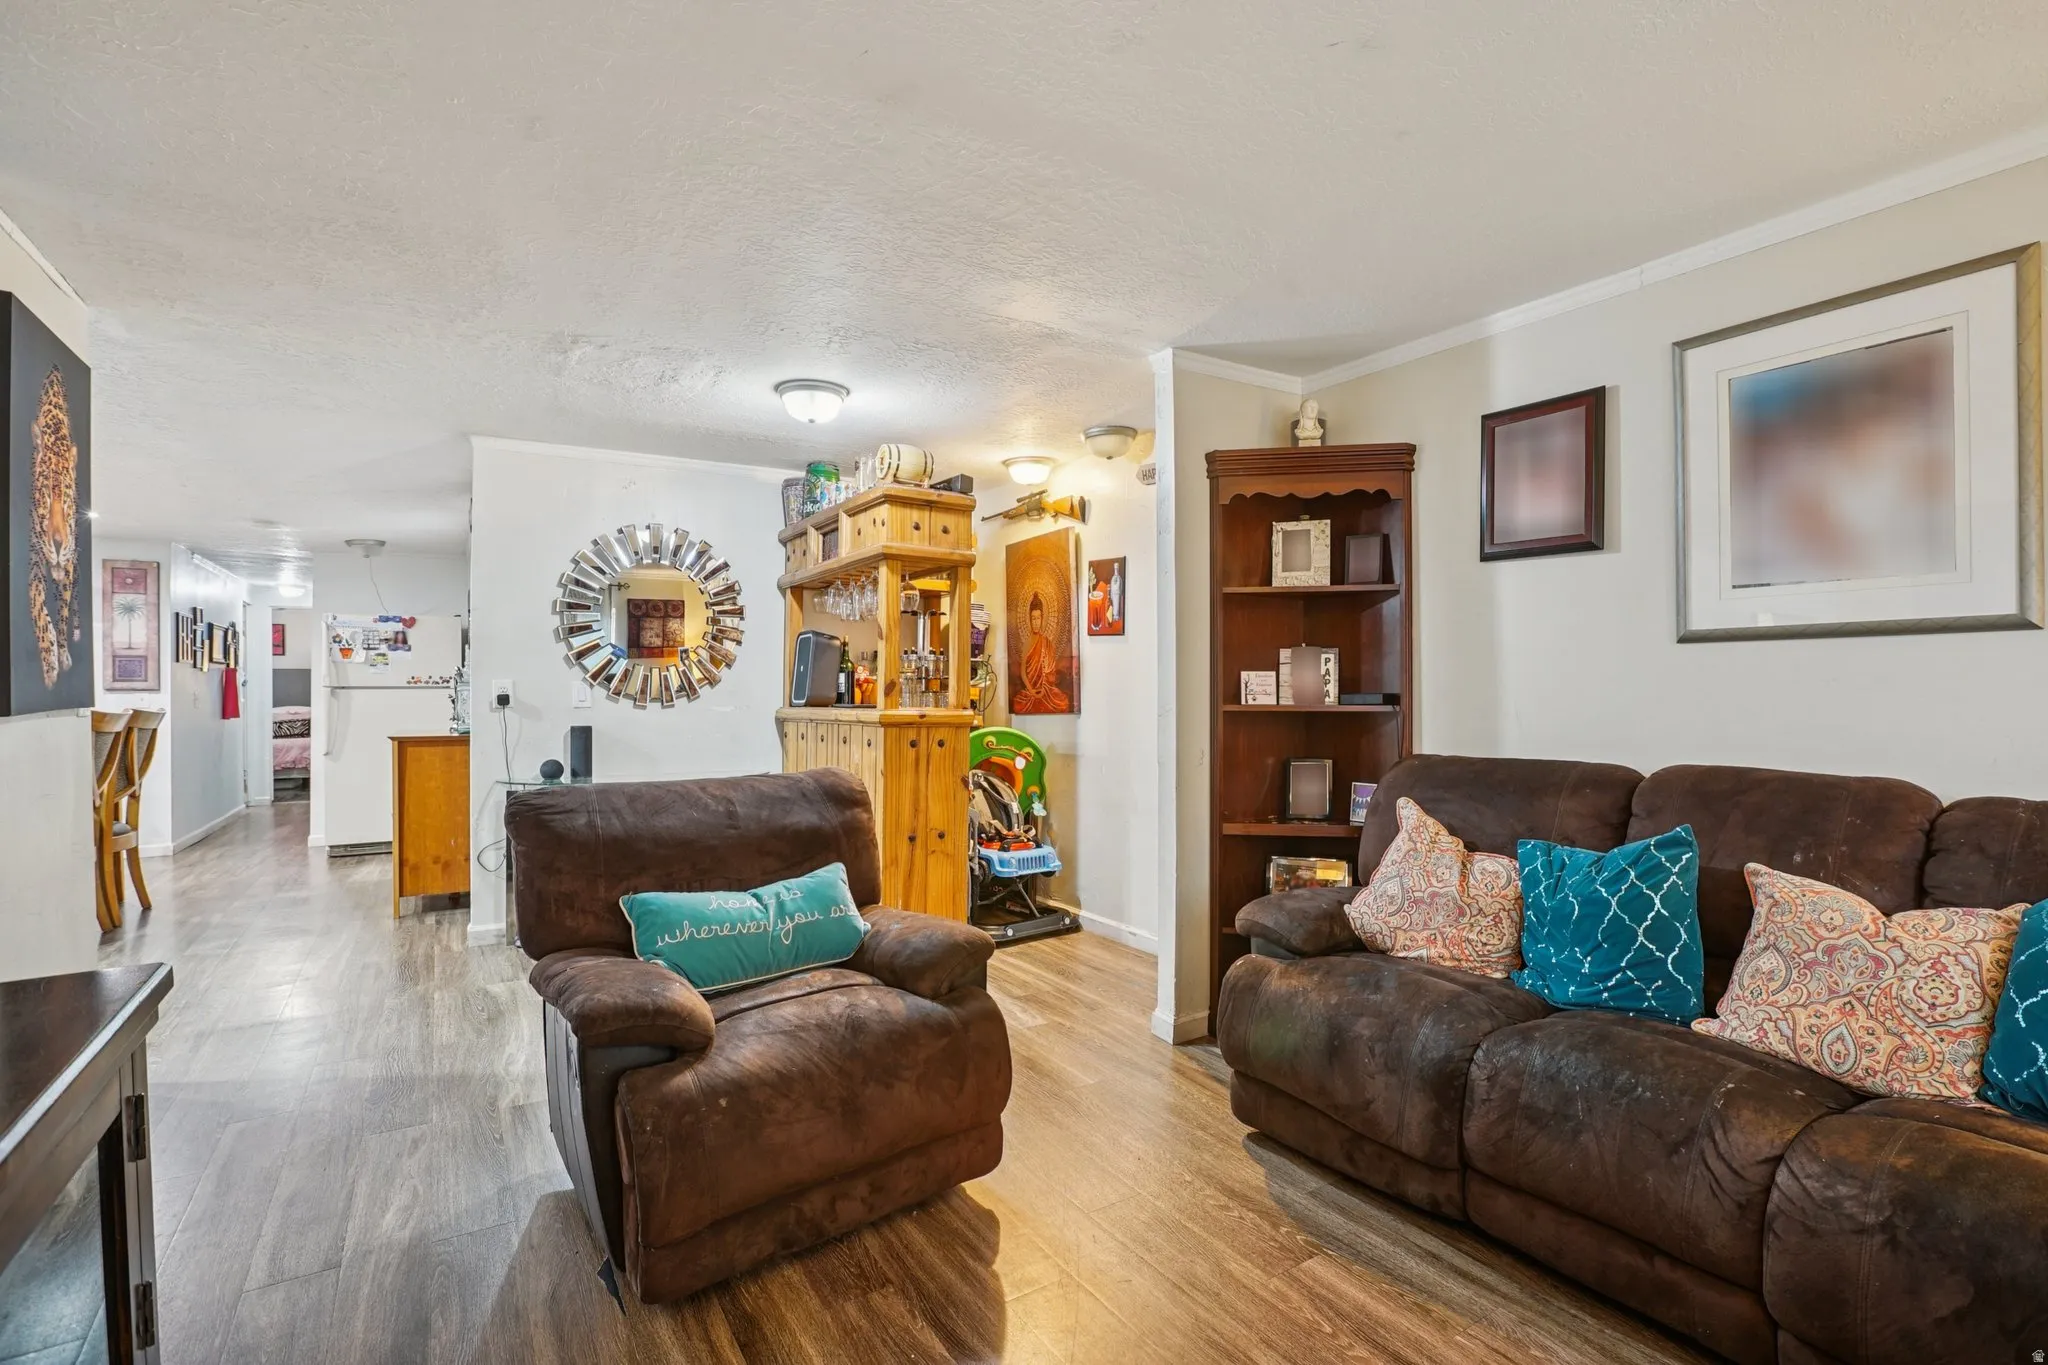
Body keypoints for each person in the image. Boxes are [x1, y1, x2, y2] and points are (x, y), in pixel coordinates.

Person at [1013, 592, 1071, 712]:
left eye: (1038, 618)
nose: (1035, 622)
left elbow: (1051, 671)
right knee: (1018, 704)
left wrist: (1044, 688)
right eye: (1033, 618)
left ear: (1042, 619)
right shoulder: (1027, 644)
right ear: (1029, 619)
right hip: (1031, 691)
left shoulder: (1047, 643)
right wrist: (1031, 690)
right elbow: (1023, 672)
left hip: (1047, 691)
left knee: (1063, 702)